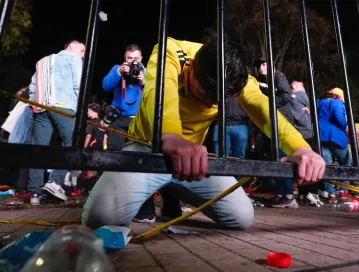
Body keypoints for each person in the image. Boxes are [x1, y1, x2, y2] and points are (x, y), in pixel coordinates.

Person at [82, 37, 326, 230]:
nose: (212, 104)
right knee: (99, 219)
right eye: (207, 94)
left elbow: (263, 109)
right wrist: (172, 136)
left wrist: (300, 147)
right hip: (149, 149)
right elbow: (159, 89)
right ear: (193, 70)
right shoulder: (171, 51)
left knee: (241, 218)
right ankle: (162, 184)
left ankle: (173, 188)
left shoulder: (235, 76)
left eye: (220, 99)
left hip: (193, 162)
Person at [28, 40, 85, 205]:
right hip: (64, 107)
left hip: (41, 108)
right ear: (73, 47)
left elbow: (33, 86)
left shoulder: (43, 61)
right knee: (72, 144)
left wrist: (34, 105)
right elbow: (79, 85)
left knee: (38, 149)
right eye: (82, 51)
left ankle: (35, 194)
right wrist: (80, 110)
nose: (82, 56)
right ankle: (55, 182)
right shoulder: (73, 59)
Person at [254, 56, 297, 208]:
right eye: (259, 66)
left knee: (282, 159)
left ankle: (289, 196)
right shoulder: (264, 82)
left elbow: (286, 96)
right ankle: (280, 194)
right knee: (275, 159)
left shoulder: (278, 76)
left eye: (264, 64)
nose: (261, 68)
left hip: (282, 122)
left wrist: (268, 104)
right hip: (270, 123)